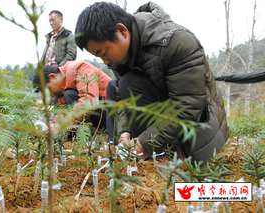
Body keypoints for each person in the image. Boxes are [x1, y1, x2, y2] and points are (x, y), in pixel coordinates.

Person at [74, 2, 229, 166]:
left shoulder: (176, 42)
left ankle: (170, 152)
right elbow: (122, 97)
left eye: (104, 53)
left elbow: (189, 106)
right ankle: (152, 150)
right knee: (120, 85)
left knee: (128, 83)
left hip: (201, 128)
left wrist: (144, 143)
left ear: (122, 31)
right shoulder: (122, 57)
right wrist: (125, 132)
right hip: (167, 122)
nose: (105, 61)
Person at [32, 61, 117, 143]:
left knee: (69, 95)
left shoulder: (80, 68)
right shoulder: (62, 87)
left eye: (49, 89)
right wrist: (54, 125)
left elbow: (88, 102)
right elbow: (63, 111)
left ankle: (85, 138)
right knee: (66, 97)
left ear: (53, 77)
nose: (51, 94)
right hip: (98, 114)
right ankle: (75, 139)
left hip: (113, 116)